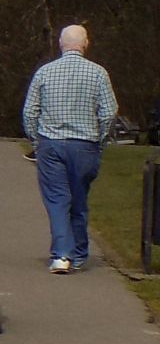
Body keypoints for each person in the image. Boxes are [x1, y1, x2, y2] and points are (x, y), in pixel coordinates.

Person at [22, 24, 118, 273]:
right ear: (85, 44)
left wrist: (36, 141)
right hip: (85, 144)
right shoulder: (98, 73)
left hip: (51, 144)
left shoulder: (45, 72)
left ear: (61, 44)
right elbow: (109, 112)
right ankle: (78, 252)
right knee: (78, 198)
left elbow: (30, 111)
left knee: (57, 200)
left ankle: (62, 254)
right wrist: (101, 138)